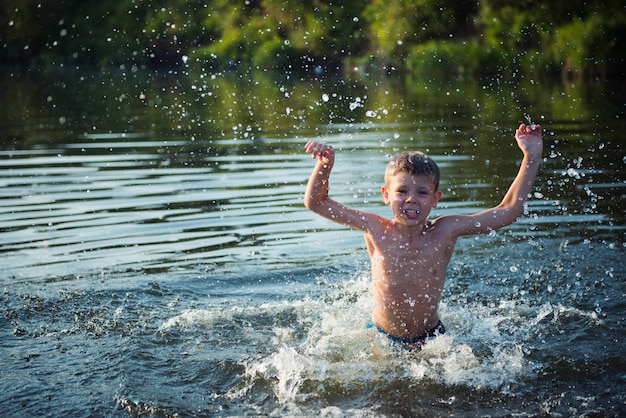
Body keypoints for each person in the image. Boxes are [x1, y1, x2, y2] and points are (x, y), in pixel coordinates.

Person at [304, 124, 543, 348]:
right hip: (382, 337)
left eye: (422, 192)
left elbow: (508, 210)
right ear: (386, 195)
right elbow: (317, 203)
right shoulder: (375, 228)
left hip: (433, 339)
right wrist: (324, 165)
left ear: (435, 199)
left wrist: (530, 156)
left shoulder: (446, 230)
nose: (411, 199)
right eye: (402, 191)